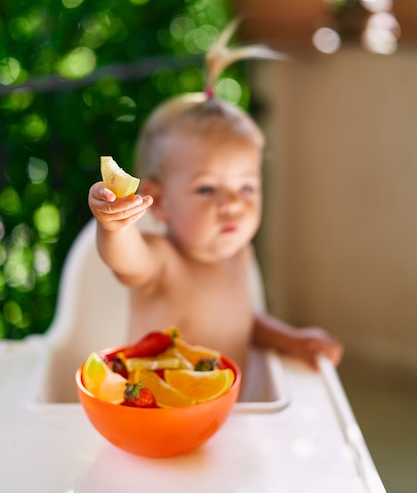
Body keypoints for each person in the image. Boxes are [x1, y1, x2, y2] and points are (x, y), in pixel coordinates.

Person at [88, 23, 343, 388]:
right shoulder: (162, 262)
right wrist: (113, 228)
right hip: (161, 419)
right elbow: (126, 260)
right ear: (158, 202)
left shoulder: (240, 257)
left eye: (246, 187)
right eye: (206, 189)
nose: (232, 205)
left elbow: (243, 321)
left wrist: (290, 340)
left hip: (226, 420)